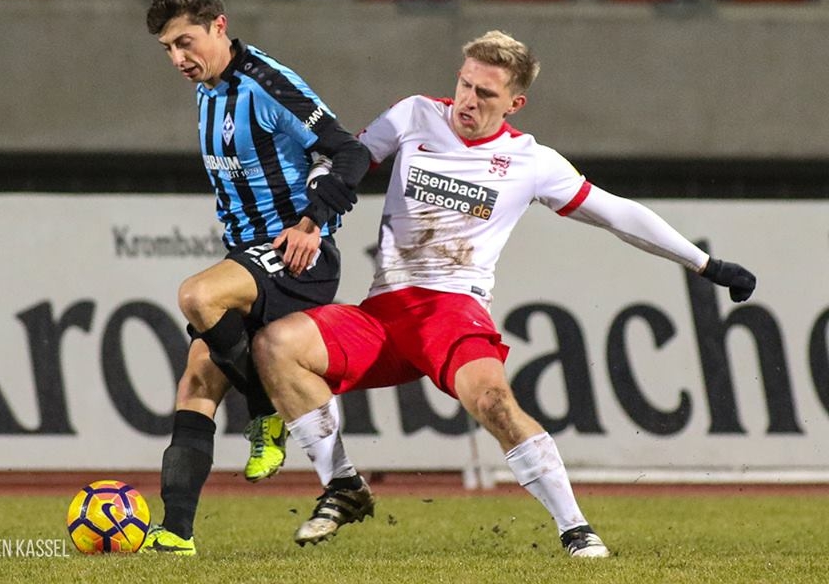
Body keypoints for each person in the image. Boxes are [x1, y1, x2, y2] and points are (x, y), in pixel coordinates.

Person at [252, 30, 757, 558]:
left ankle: (576, 528)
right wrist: (314, 211)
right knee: (275, 345)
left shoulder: (530, 161)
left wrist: (705, 264)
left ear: (515, 103)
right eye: (464, 84)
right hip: (384, 313)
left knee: (493, 402)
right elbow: (346, 159)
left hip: (451, 311)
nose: (467, 100)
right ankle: (343, 484)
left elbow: (617, 214)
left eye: (485, 94)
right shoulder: (414, 115)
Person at [140, 0, 371, 555]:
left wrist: (312, 222)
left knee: (197, 296)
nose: (177, 58)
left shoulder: (266, 84)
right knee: (197, 380)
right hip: (248, 258)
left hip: (297, 256)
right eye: (168, 48)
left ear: (219, 26)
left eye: (186, 42)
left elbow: (349, 151)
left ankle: (265, 407)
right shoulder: (208, 88)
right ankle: (176, 533)